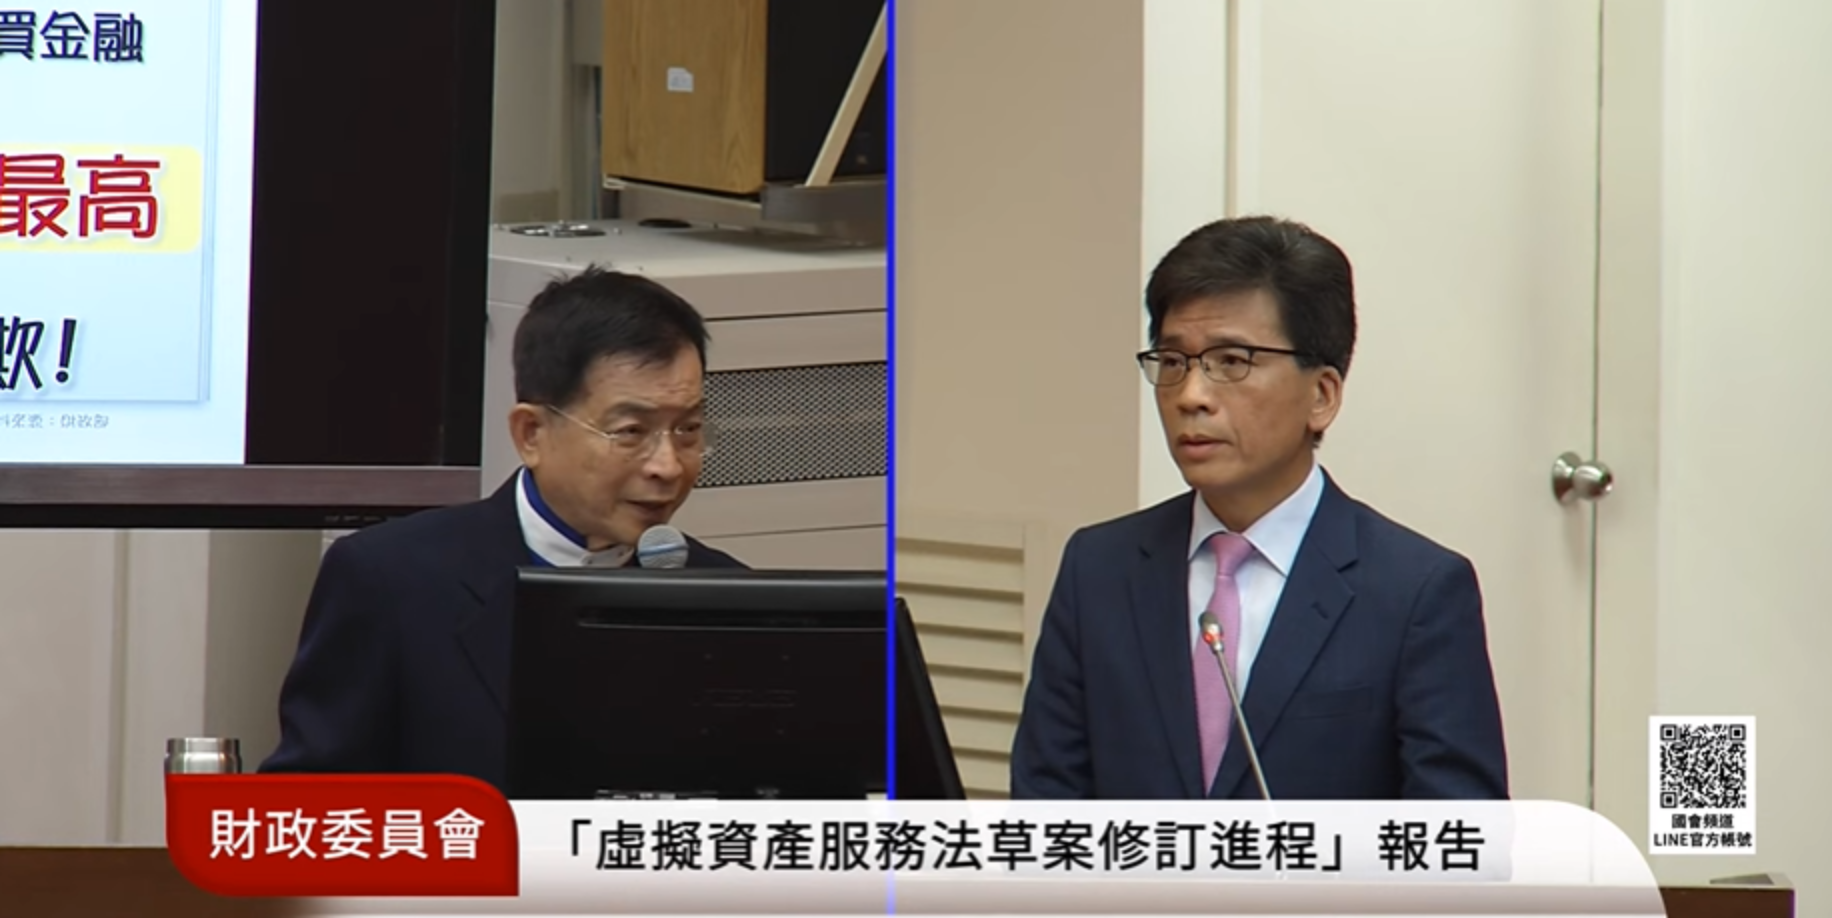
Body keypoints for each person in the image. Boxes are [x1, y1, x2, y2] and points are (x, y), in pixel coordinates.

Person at [1009, 216, 1507, 800]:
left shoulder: (1415, 592)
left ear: (1321, 395)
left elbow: (1460, 834)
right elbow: (1046, 810)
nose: (1191, 396)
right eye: (1173, 362)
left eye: (1232, 362)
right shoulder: (1098, 569)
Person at [261, 266, 744, 789]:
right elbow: (306, 807)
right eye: (631, 432)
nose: (668, 466)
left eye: (688, 429)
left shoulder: (729, 600)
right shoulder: (390, 580)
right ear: (531, 433)